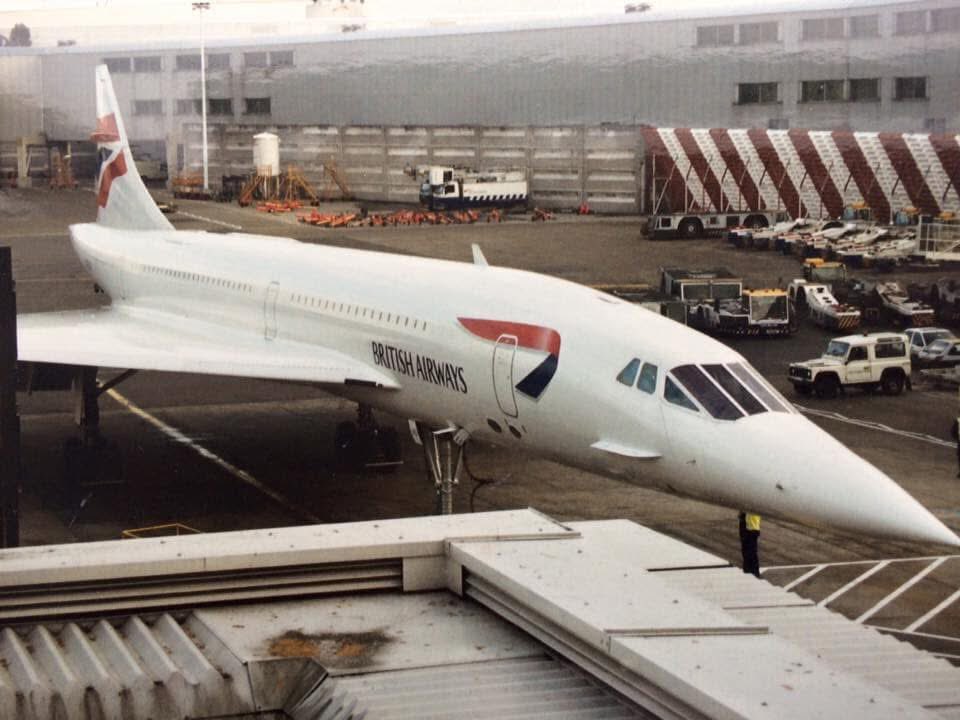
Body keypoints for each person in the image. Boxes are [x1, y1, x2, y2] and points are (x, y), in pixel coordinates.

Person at [739, 511, 761, 578]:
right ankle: (748, 570)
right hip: (747, 526)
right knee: (746, 551)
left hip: (752, 528)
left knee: (751, 551)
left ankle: (754, 571)